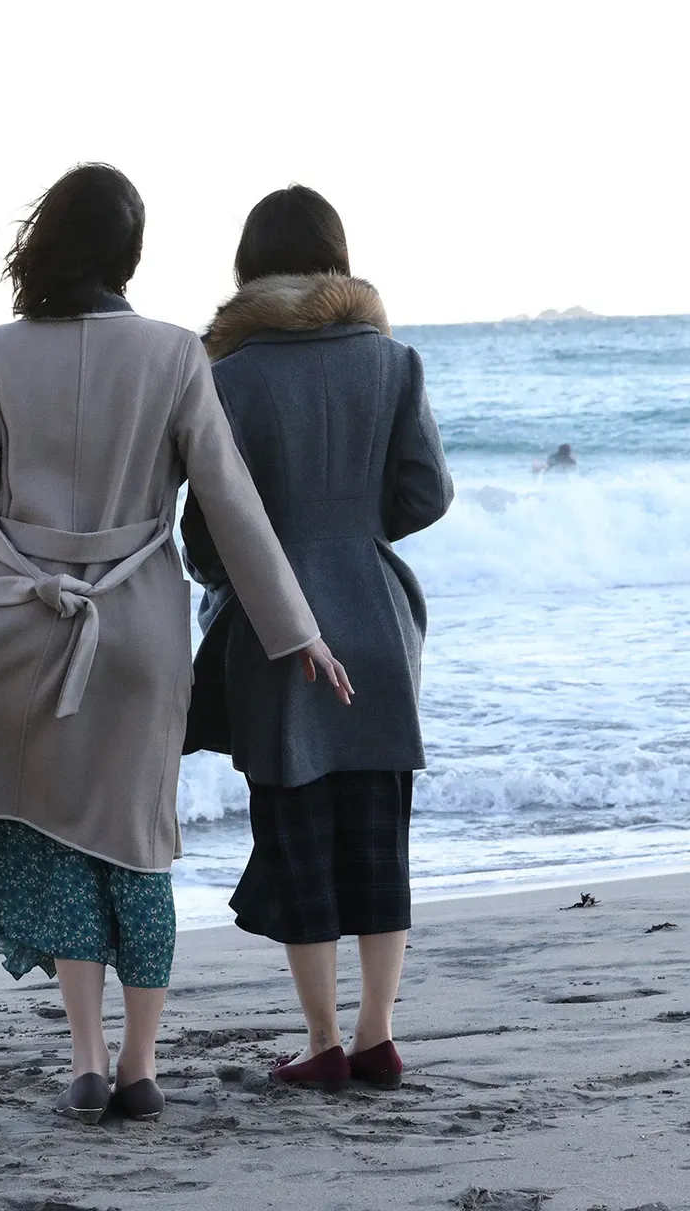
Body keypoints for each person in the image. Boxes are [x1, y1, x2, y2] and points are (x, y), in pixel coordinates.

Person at [0, 164, 351, 1126]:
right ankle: (140, 1066)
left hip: (17, 625)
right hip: (138, 633)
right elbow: (231, 506)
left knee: (59, 843)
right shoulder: (174, 355)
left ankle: (85, 1061)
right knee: (139, 846)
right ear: (131, 255)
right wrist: (297, 632)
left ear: (46, 245)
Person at [181, 185, 453, 1092]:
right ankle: (378, 1036)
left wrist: (242, 572)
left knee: (295, 835)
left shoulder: (228, 379)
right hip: (377, 620)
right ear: (338, 260)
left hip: (275, 629)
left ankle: (322, 1043)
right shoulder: (393, 361)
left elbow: (204, 534)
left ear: (248, 268)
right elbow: (427, 494)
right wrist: (355, 536)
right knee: (378, 835)